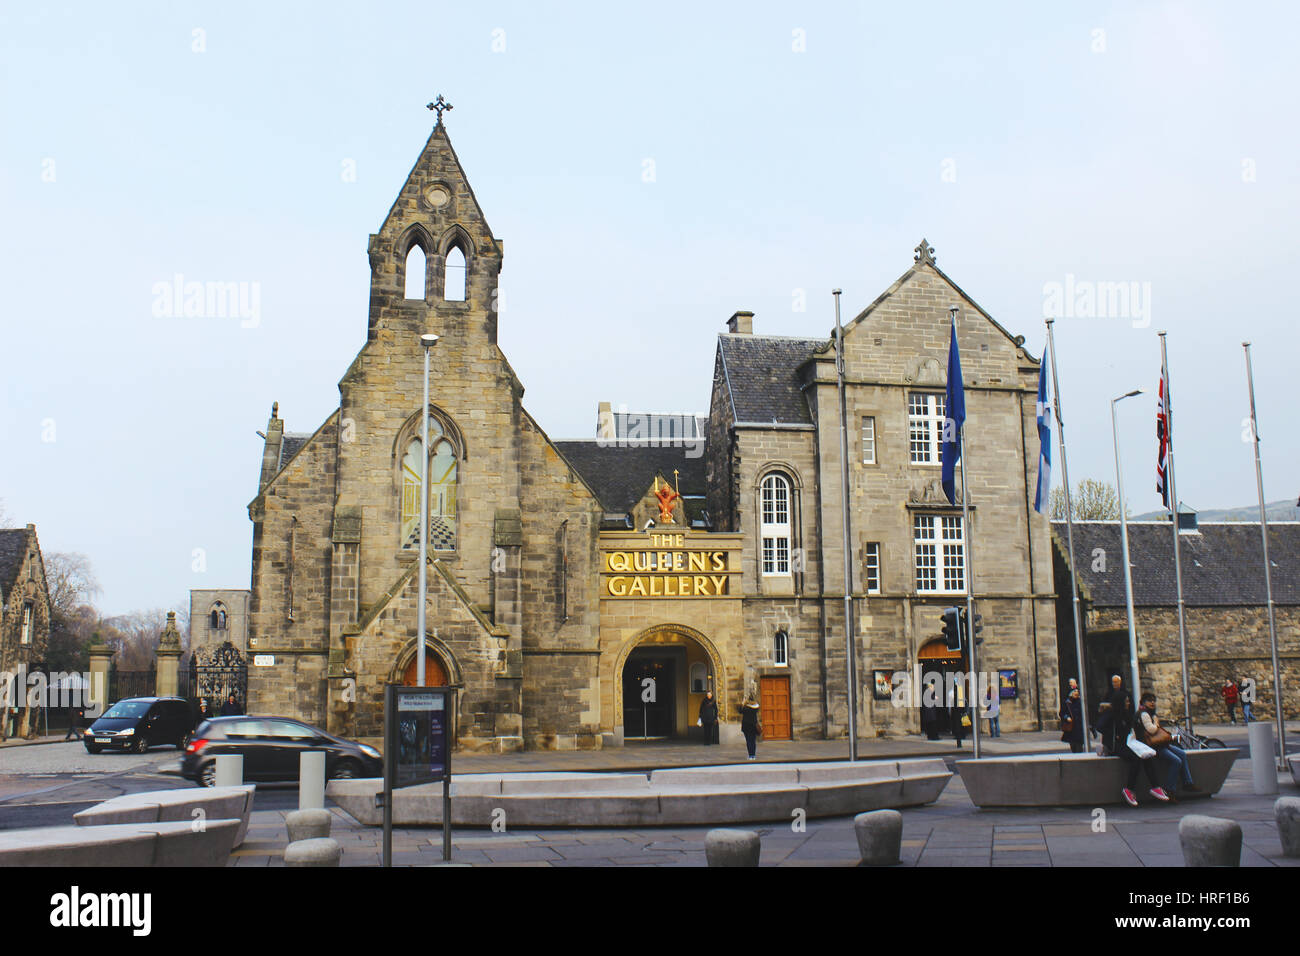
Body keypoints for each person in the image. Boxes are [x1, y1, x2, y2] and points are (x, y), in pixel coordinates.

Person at [1139, 692, 1198, 799]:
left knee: (1182, 754)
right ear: (1143, 702)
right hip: (1154, 746)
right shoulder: (1143, 714)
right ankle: (1170, 789)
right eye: (1149, 700)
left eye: (1153, 700)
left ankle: (1187, 783)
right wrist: (1156, 723)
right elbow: (1151, 730)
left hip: (1161, 743)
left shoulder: (1151, 713)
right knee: (1176, 761)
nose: (1152, 702)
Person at [1113, 690, 1167, 806]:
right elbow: (1101, 726)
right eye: (1126, 701)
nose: (1128, 703)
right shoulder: (1113, 715)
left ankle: (1155, 786)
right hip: (1116, 746)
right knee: (1136, 759)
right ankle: (1129, 789)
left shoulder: (1127, 713)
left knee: (1146, 756)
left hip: (1128, 743)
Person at [1059, 686, 1084, 752]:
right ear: (1071, 693)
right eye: (1074, 692)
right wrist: (1066, 717)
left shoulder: (1081, 702)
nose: (1076, 693)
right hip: (1071, 727)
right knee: (1073, 745)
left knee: (1079, 745)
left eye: (1077, 691)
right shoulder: (1067, 703)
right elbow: (1062, 713)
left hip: (1079, 727)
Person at [739, 693, 762, 760]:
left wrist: (742, 703)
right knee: (753, 741)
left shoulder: (746, 708)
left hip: (746, 726)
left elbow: (740, 711)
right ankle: (753, 755)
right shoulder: (756, 708)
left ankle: (750, 755)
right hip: (753, 726)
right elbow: (757, 705)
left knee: (748, 741)